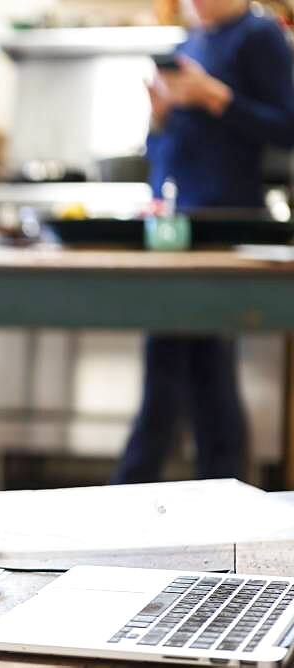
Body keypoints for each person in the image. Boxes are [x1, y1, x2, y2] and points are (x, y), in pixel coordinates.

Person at [112, 0, 294, 484]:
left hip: (223, 225)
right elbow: (163, 148)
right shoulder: (190, 41)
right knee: (195, 372)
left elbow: (286, 127)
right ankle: (213, 486)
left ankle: (134, 486)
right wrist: (160, 115)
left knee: (179, 370)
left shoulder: (259, 36)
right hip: (174, 221)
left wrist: (215, 96)